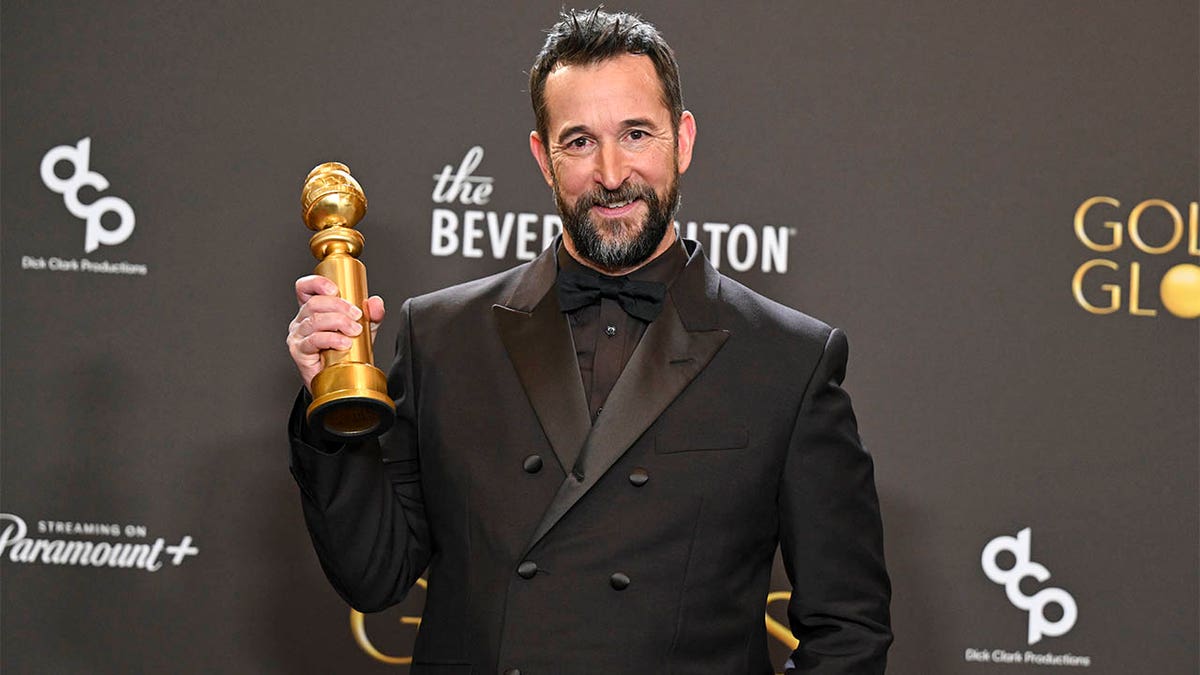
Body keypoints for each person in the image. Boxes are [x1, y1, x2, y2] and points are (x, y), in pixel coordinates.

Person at [286, 8, 891, 674]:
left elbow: (848, 628)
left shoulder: (789, 361)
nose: (611, 172)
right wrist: (330, 401)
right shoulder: (441, 336)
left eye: (636, 134)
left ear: (683, 140)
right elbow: (373, 575)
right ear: (543, 159)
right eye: (579, 141)